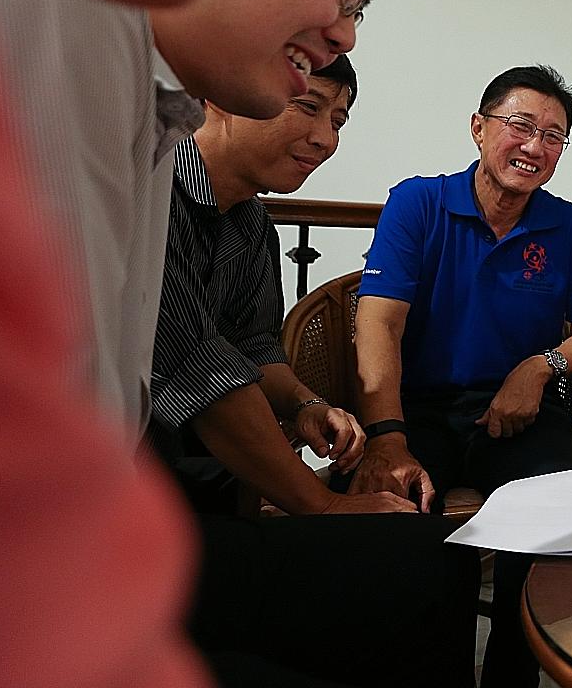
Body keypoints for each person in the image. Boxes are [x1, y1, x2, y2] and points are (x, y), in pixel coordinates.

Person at [0, 0, 349, 688]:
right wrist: (315, 502)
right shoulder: (60, 0)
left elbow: (241, 353)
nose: (342, 35)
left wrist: (314, 411)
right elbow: (186, 370)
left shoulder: (174, 121)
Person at [346, 63, 572, 688]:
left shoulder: (570, 225)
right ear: (479, 127)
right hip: (420, 409)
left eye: (553, 136)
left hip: (519, 415)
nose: (534, 146)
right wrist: (387, 436)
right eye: (520, 126)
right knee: (406, 525)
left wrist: (537, 368)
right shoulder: (419, 202)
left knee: (551, 515)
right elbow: (378, 319)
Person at [150, 54, 410, 515]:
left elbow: (254, 343)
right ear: (225, 96)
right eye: (308, 107)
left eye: (338, 121)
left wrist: (305, 403)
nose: (325, 139)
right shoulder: (151, 192)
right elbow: (204, 373)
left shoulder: (252, 223)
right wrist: (321, 505)